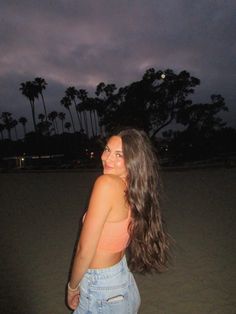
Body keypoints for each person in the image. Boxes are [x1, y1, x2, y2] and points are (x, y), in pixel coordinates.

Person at [66, 128, 170, 313]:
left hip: (101, 286)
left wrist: (72, 287)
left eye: (118, 155)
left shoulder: (106, 184)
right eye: (107, 150)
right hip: (122, 279)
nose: (107, 158)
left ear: (133, 161)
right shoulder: (136, 188)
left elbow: (84, 250)